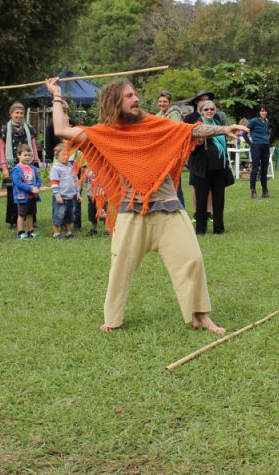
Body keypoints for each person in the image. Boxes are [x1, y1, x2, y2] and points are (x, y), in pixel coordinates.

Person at [47, 77, 245, 334]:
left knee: (192, 260)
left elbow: (190, 130)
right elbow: (62, 129)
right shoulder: (105, 133)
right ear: (114, 102)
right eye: (129, 96)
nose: (136, 99)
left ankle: (200, 316)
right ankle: (113, 319)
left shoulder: (157, 124)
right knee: (120, 268)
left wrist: (224, 129)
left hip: (168, 208)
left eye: (135, 94)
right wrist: (57, 95)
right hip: (132, 213)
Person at [187, 99, 228, 235]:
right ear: (201, 111)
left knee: (219, 199)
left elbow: (224, 144)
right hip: (202, 168)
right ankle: (200, 229)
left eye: (212, 109)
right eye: (206, 109)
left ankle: (219, 228)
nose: (209, 111)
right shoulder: (197, 125)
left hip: (219, 167)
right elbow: (191, 146)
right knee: (201, 199)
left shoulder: (218, 124)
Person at [0, 102, 40, 230]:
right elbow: (2, 149)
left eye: (21, 113)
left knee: (31, 191)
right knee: (13, 193)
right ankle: (13, 220)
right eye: (16, 113)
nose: (19, 115)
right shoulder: (5, 129)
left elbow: (33, 146)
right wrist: (4, 167)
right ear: (11, 114)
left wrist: (36, 163)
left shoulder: (29, 128)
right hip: (12, 166)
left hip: (28, 165)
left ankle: (32, 220)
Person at [49, 142, 80, 239]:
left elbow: (76, 181)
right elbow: (54, 183)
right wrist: (57, 195)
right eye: (63, 155)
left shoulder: (71, 167)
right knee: (58, 215)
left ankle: (68, 232)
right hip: (61, 197)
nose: (66, 157)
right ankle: (56, 233)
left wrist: (78, 194)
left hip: (71, 196)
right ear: (57, 155)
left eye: (67, 154)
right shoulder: (56, 168)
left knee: (69, 216)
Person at [10, 144, 41, 239]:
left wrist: (36, 187)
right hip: (22, 196)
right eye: (25, 155)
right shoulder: (16, 169)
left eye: (29, 155)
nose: (28, 157)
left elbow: (38, 180)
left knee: (31, 214)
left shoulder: (33, 168)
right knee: (21, 214)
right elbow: (18, 183)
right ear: (18, 155)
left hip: (32, 196)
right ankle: (20, 232)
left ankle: (31, 231)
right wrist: (30, 189)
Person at [246, 104, 271, 199]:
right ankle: (253, 191)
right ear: (259, 112)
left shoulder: (267, 121)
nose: (264, 112)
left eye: (265, 111)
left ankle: (265, 190)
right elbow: (244, 133)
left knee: (264, 169)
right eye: (262, 111)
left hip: (266, 146)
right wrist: (251, 144)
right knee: (255, 169)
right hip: (256, 147)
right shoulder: (254, 121)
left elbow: (266, 132)